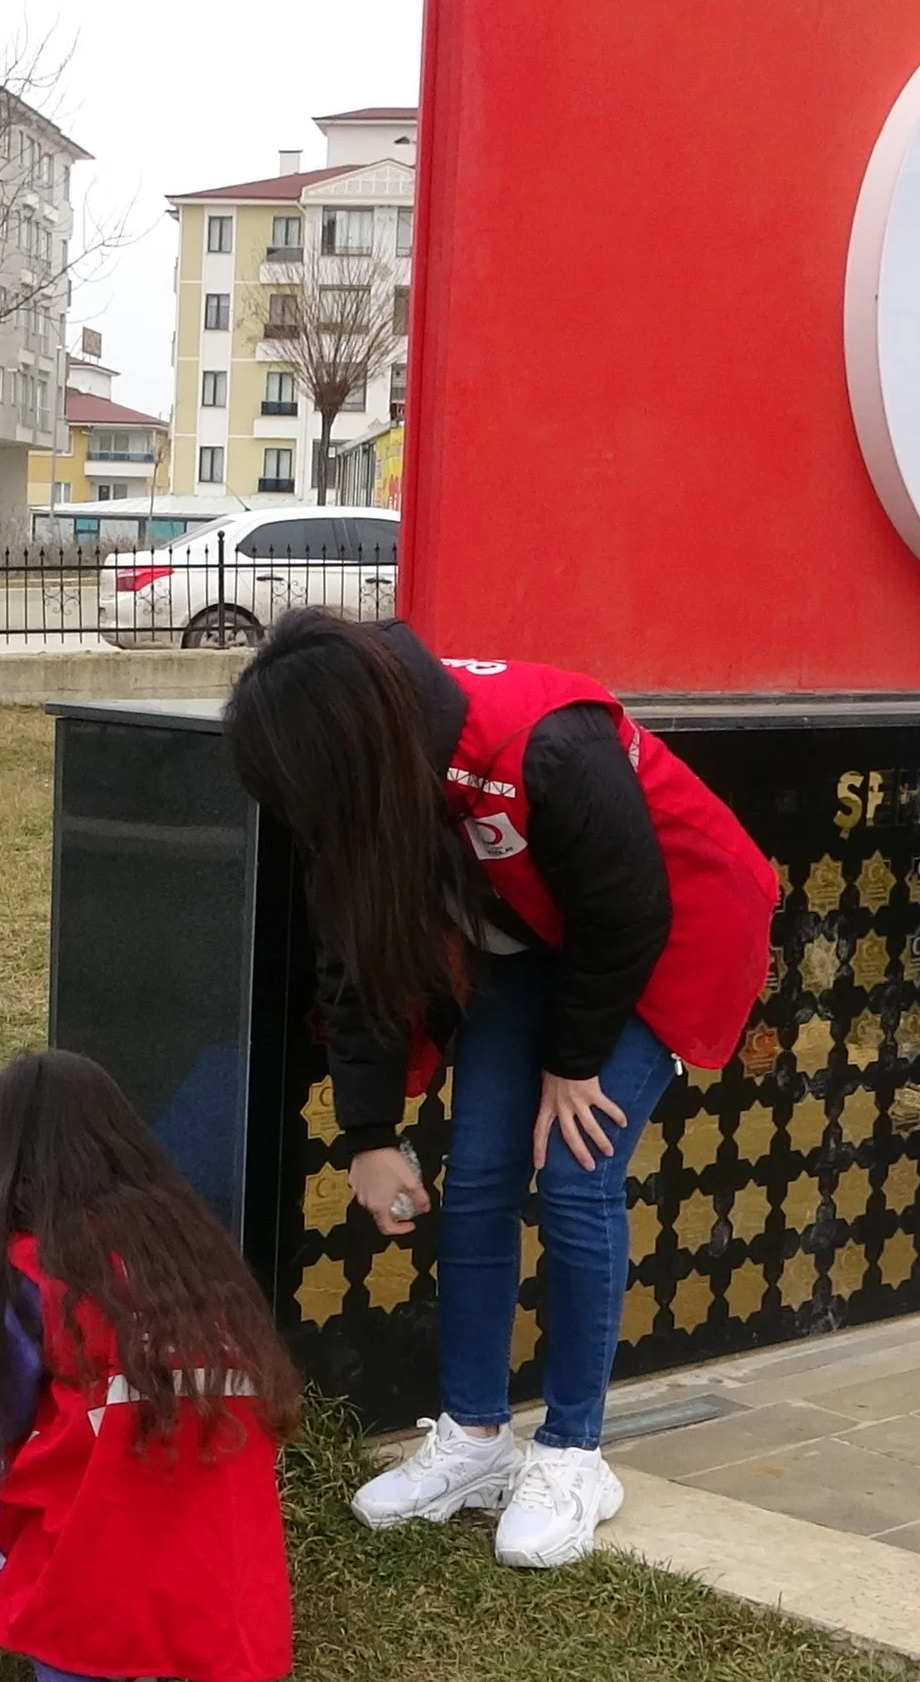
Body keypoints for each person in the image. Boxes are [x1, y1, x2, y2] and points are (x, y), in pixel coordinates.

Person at [220, 610, 780, 1569]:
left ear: (346, 747)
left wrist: (573, 1062)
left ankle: (574, 1453)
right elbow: (351, 963)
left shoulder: (547, 744)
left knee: (573, 1171)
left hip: (660, 936)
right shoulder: (369, 788)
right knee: (477, 1175)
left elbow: (630, 911)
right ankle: (477, 1439)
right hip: (537, 944)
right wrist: (368, 1134)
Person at [0, 1049, 297, 1682]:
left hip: (122, 1449)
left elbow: (0, 1400)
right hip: (220, 1445)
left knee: (50, 1547)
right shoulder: (181, 1238)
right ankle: (128, 1670)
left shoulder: (29, 1262)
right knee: (147, 1540)